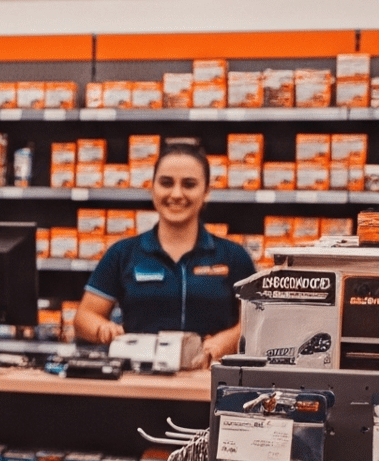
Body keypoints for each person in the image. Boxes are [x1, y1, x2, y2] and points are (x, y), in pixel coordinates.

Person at [75, 141, 258, 366]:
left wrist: (225, 341)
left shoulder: (234, 256)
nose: (176, 194)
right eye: (166, 183)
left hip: (210, 377)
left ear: (206, 192)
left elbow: (256, 321)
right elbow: (84, 317)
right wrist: (103, 328)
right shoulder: (122, 253)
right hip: (139, 378)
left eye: (189, 184)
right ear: (152, 187)